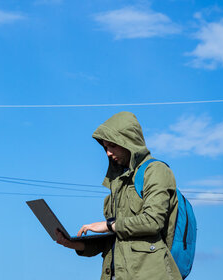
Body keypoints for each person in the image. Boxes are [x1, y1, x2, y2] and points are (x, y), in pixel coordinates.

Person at [56, 111, 181, 280]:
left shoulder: (156, 171)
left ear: (128, 142)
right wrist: (73, 244)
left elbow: (153, 222)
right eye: (106, 147)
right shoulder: (118, 181)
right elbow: (115, 238)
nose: (108, 152)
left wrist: (108, 225)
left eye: (113, 146)